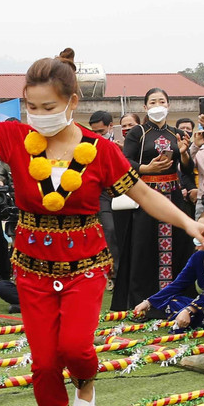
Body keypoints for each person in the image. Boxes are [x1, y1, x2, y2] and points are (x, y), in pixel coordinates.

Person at [0, 48, 204, 406]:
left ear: (72, 102)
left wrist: (188, 223)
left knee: (75, 347)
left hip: (85, 265)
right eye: (31, 106)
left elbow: (142, 194)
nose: (38, 114)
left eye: (48, 106)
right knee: (44, 360)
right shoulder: (15, 137)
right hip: (31, 267)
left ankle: (86, 390)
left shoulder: (100, 151)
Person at [112, 88, 194, 310]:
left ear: (168, 105)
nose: (158, 105)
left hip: (174, 196)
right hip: (146, 196)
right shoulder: (137, 132)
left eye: (162, 101)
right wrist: (146, 168)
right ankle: (143, 301)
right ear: (145, 107)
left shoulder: (176, 132)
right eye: (153, 101)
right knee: (143, 247)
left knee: (178, 247)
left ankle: (176, 300)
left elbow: (186, 169)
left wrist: (185, 153)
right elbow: (124, 161)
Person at [88, 111, 122, 291]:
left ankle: (125, 273)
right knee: (109, 230)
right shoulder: (87, 145)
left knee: (123, 232)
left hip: (124, 191)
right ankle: (115, 275)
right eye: (94, 132)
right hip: (102, 194)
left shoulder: (124, 142)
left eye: (101, 132)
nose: (98, 136)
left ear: (111, 126)